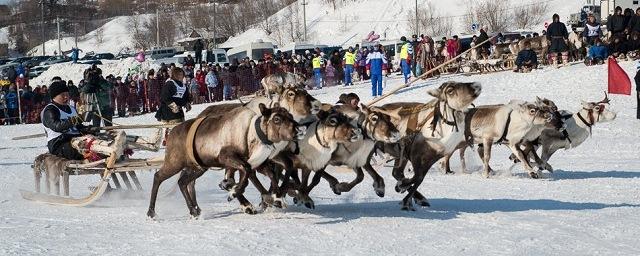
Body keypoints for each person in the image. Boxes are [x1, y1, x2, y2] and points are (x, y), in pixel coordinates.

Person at [41, 81, 125, 167]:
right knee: (86, 146)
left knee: (98, 138)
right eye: (62, 95)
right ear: (54, 96)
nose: (66, 97)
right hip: (59, 144)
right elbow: (57, 126)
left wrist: (89, 129)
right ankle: (110, 152)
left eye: (67, 94)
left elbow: (78, 127)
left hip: (75, 139)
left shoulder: (71, 108)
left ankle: (114, 150)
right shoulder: (50, 110)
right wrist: (75, 120)